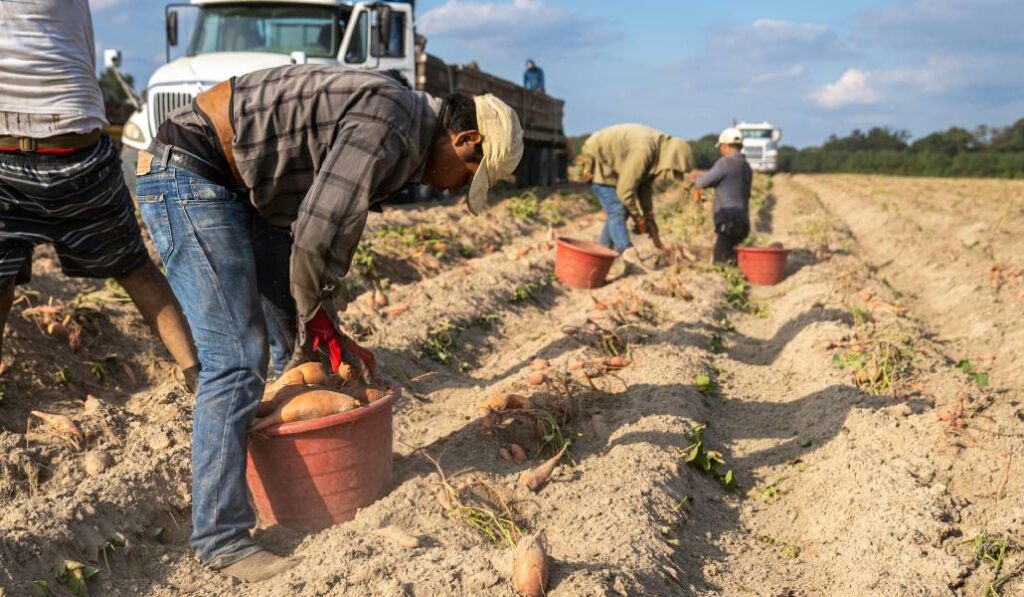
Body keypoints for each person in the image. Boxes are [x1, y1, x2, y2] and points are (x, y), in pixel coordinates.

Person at [135, 64, 523, 581]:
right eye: (469, 176)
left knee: (302, 347)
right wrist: (317, 312)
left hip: (248, 194)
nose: (458, 189)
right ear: (465, 138)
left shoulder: (402, 124)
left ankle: (303, 491)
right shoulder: (393, 123)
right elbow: (319, 231)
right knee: (237, 359)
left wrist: (323, 326)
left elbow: (320, 232)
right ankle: (220, 538)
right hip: (192, 173)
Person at [0, 0, 198, 386]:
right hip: (66, 152)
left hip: (39, 156)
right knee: (135, 270)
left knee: (133, 269)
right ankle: (198, 376)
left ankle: (199, 376)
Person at [575, 124, 694, 269]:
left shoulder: (658, 152)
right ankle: (628, 254)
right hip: (599, 160)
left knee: (619, 212)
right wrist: (638, 218)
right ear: (672, 158)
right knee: (617, 210)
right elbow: (624, 192)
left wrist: (648, 216)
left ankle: (599, 257)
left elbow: (644, 185)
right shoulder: (644, 152)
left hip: (613, 166)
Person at [691, 127, 753, 265]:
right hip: (743, 220)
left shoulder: (725, 162)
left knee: (720, 261)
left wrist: (695, 179)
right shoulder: (746, 166)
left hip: (728, 221)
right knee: (733, 259)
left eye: (721, 147)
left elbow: (702, 182)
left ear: (725, 146)